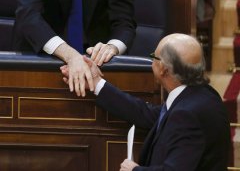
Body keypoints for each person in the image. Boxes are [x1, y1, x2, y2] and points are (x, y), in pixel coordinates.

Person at [61, 33, 231, 170]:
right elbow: (146, 113)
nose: (152, 61)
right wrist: (96, 83)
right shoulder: (203, 95)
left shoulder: (187, 115)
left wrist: (134, 170)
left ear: (163, 68)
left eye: (154, 57)